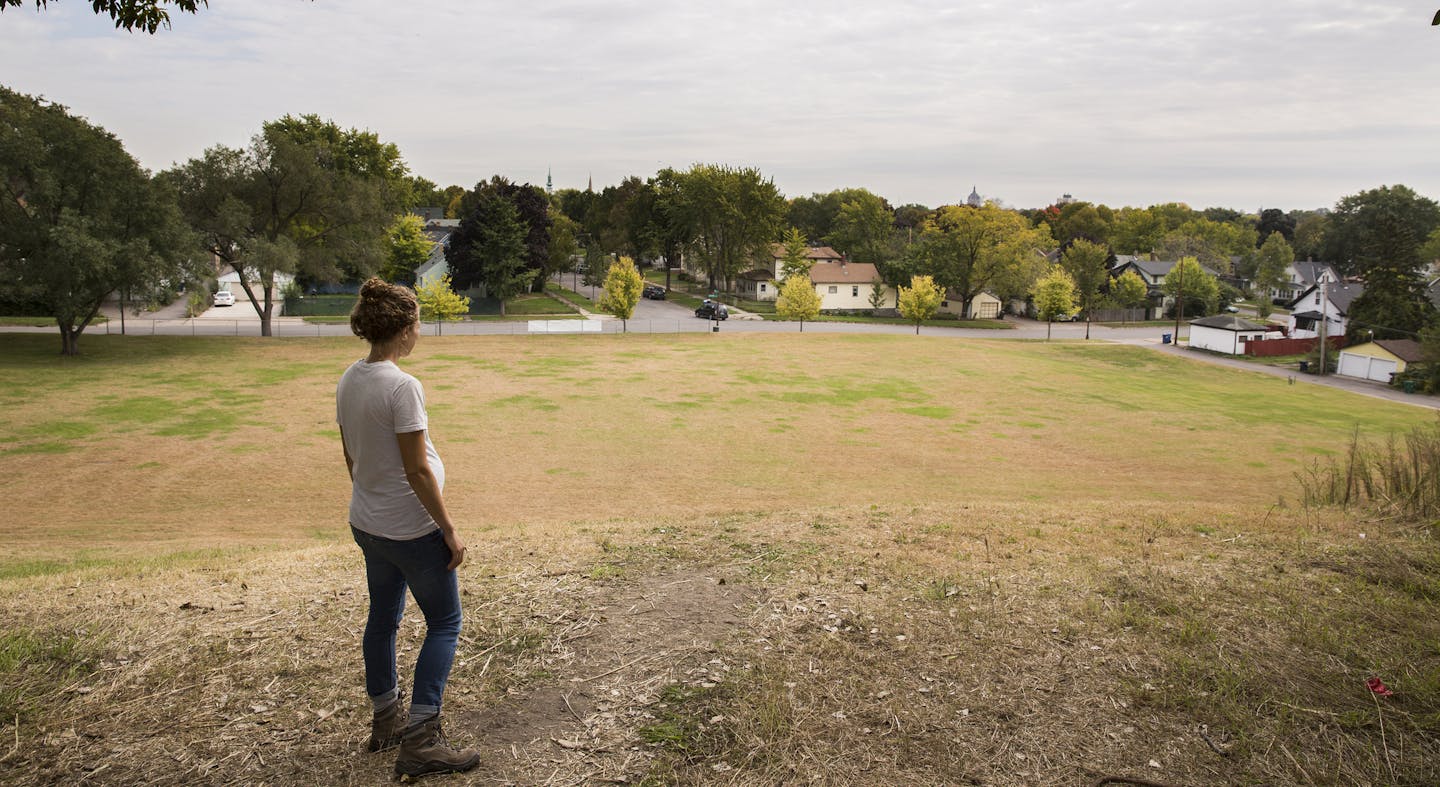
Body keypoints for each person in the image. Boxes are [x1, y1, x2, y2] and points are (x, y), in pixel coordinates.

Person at [336, 278, 480, 777]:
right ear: (403, 330)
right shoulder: (402, 386)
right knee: (445, 622)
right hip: (411, 531)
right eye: (417, 323)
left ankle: (385, 721)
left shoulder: (350, 377)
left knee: (383, 619)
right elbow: (418, 470)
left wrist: (374, 501)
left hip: (369, 524)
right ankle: (421, 740)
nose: (419, 332)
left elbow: (352, 456)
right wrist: (448, 529)